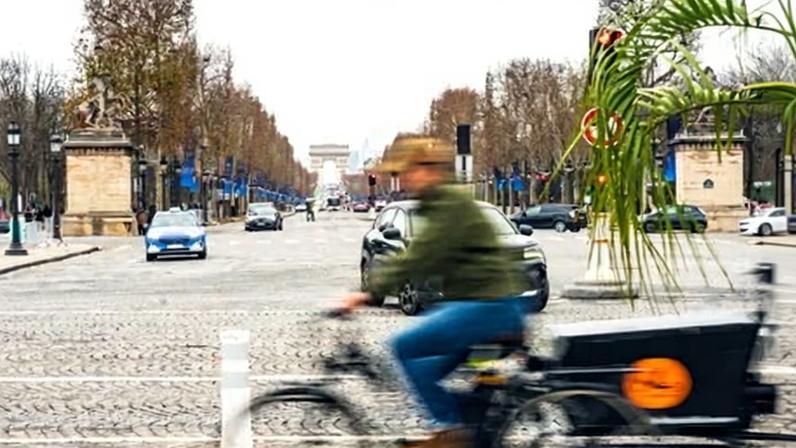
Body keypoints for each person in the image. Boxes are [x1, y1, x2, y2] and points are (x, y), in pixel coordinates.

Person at [338, 138, 526, 448]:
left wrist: (367, 294)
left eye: (408, 171)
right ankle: (468, 431)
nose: (404, 179)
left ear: (429, 170)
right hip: (484, 305)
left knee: (403, 346)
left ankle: (448, 429)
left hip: (487, 306)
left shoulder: (450, 205)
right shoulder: (438, 204)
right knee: (427, 371)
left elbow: (418, 256)